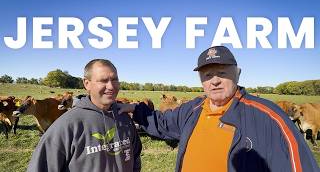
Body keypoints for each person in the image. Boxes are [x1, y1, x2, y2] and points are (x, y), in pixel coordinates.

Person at [119, 46, 319, 172]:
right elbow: (161, 123)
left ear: (237, 74)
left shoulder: (270, 118)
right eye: (207, 75)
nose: (214, 81)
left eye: (222, 72)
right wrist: (134, 109)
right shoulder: (193, 109)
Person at [27, 59, 142, 172]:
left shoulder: (124, 119)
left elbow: (135, 158)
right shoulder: (66, 126)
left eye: (114, 79)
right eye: (103, 80)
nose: (111, 86)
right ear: (87, 84)